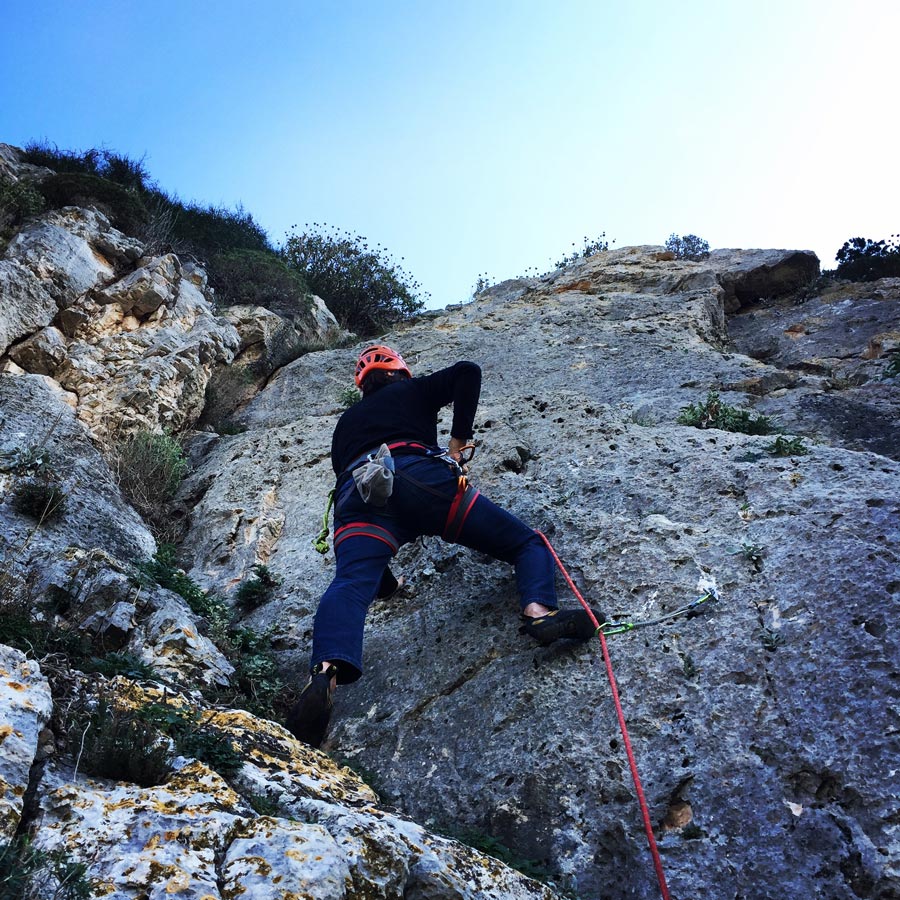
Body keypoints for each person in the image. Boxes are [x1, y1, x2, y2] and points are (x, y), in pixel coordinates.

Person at [286, 345, 600, 747]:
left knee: (349, 585)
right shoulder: (410, 390)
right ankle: (539, 611)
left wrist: (386, 584)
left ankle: (325, 671)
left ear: (362, 386)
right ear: (399, 371)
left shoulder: (345, 423)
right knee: (527, 543)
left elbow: (361, 500)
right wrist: (457, 444)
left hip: (360, 494)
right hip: (422, 478)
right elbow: (467, 371)